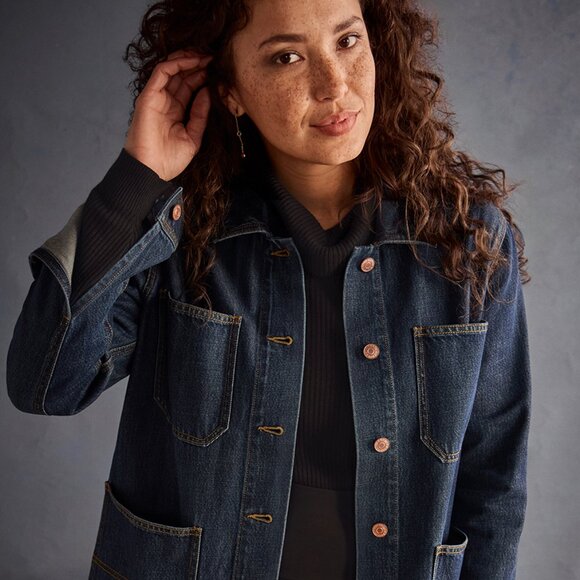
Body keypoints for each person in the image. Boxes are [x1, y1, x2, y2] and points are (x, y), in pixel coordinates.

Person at [6, 0, 531, 578]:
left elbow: (494, 481)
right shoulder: (178, 236)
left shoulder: (467, 239)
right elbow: (45, 382)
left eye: (347, 41)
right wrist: (136, 180)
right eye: (286, 57)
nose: (334, 85)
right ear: (230, 91)